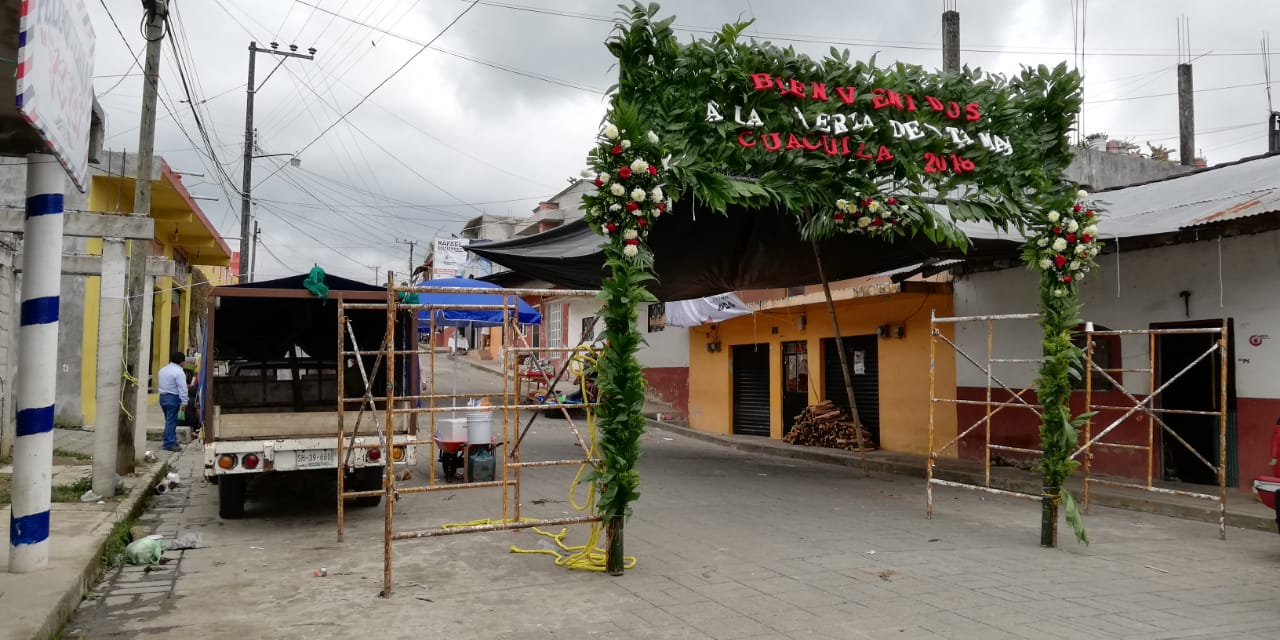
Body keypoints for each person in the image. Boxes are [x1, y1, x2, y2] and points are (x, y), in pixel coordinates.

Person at [158, 351, 189, 452]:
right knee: (172, 421)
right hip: (173, 398)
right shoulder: (179, 372)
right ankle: (169, 443)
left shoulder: (162, 370)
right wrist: (184, 402)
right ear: (181, 362)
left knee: (169, 421)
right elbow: (183, 388)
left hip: (162, 397)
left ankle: (171, 440)